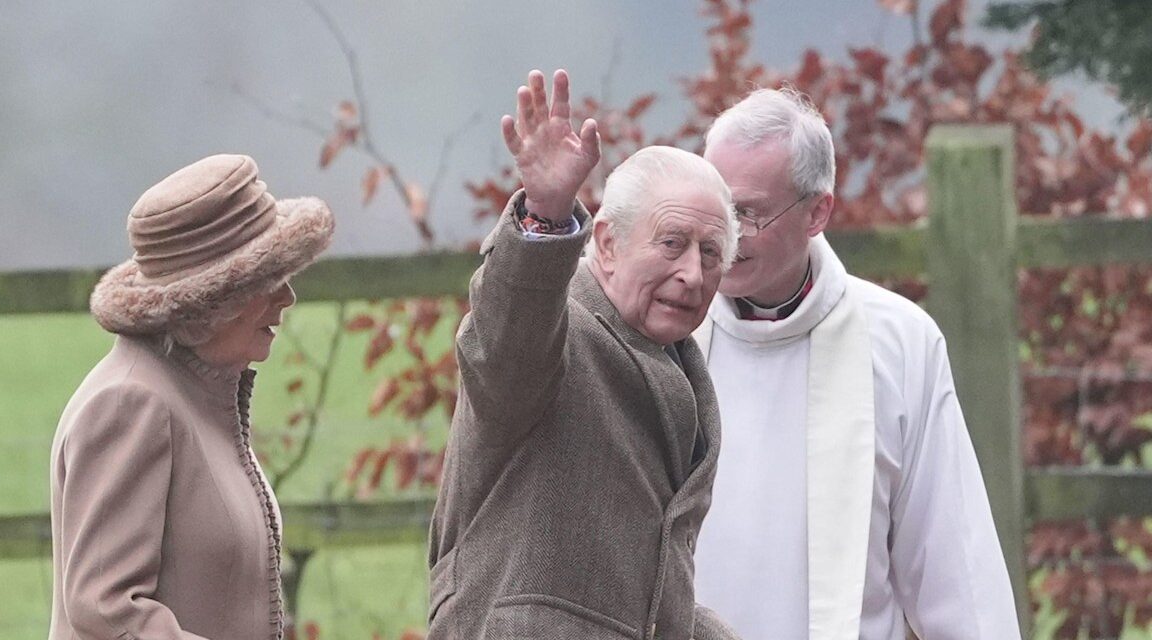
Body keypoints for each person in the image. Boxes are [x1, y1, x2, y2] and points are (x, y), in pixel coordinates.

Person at [690, 87, 1021, 639]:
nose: (724, 236)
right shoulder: (660, 329)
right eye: (715, 206)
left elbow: (953, 565)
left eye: (747, 213)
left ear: (818, 210)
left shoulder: (898, 342)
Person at [427, 69, 742, 640]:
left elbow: (637, 575)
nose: (693, 273)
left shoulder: (681, 369)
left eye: (712, 253)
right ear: (606, 242)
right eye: (671, 242)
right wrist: (544, 216)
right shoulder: (556, 331)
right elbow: (503, 348)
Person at [49, 154, 334, 640]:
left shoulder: (196, 391)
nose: (287, 297)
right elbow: (106, 609)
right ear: (208, 302)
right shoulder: (131, 403)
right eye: (266, 282)